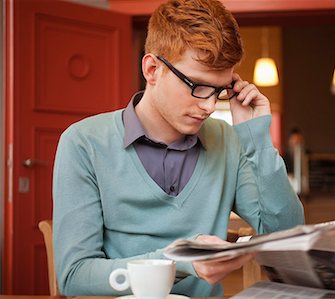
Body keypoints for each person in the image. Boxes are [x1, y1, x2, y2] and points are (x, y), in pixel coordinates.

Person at [52, 0, 304, 297]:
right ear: (152, 69)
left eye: (220, 90)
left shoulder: (228, 140)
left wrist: (256, 139)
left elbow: (287, 238)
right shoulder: (83, 142)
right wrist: (183, 260)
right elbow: (75, 276)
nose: (210, 105)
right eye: (197, 85)